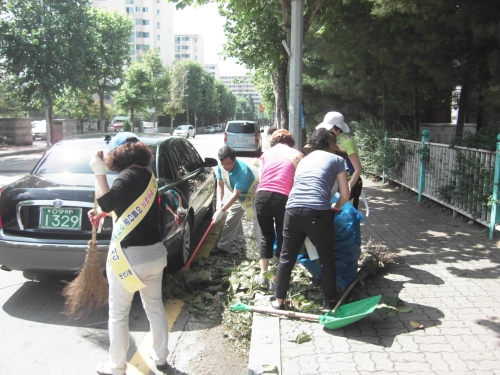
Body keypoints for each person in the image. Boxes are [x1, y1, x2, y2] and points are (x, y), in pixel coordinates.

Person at [88, 132, 170, 375]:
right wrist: (105, 214)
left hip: (128, 258)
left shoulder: (126, 177)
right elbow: (127, 209)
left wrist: (98, 171)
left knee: (119, 315)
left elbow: (106, 202)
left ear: (118, 154)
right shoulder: (148, 176)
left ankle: (116, 367)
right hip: (155, 255)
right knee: (155, 308)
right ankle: (162, 359)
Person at [271, 128, 350, 310]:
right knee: (327, 259)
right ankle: (330, 301)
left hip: (291, 210)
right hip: (317, 212)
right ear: (331, 146)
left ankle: (278, 301)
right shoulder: (337, 160)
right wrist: (335, 208)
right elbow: (345, 195)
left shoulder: (304, 161)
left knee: (287, 256)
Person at [255, 129, 303, 290]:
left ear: (274, 142)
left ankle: (263, 275)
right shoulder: (298, 155)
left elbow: (261, 177)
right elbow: (299, 180)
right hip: (284, 198)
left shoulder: (266, 154)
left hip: (262, 197)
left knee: (266, 236)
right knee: (283, 237)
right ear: (290, 142)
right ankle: (276, 278)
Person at [212, 146, 262, 255]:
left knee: (258, 224)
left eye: (228, 163)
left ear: (234, 159)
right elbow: (220, 186)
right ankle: (222, 248)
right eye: (223, 163)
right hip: (241, 196)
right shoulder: (221, 167)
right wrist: (219, 202)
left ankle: (264, 253)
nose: (225, 166)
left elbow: (235, 194)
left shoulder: (243, 170)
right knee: (230, 220)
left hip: (254, 194)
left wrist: (222, 210)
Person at [316, 111, 363, 209]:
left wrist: (349, 186)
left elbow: (358, 169)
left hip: (349, 183)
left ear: (334, 127)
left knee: (347, 218)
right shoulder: (331, 140)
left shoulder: (346, 142)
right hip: (337, 183)